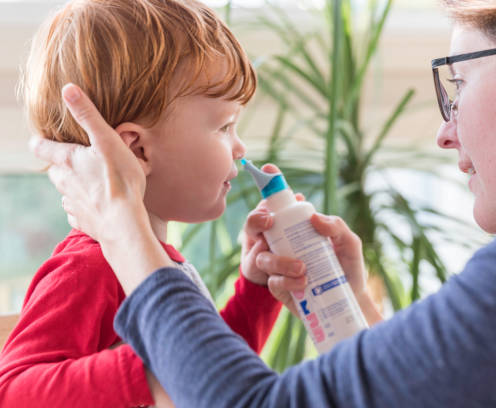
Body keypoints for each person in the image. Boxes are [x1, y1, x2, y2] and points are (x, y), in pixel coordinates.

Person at [30, 0, 496, 406]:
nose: (444, 131)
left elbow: (237, 396)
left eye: (459, 85)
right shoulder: (87, 265)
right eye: (222, 125)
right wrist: (347, 303)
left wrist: (132, 242)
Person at [0, 1, 332, 406]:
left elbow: (211, 378)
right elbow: (13, 390)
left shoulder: (160, 264)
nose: (240, 147)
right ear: (136, 150)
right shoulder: (89, 267)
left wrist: (257, 289)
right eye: (224, 126)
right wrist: (154, 366)